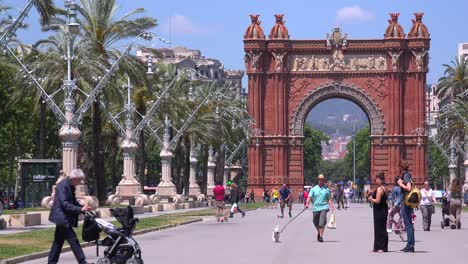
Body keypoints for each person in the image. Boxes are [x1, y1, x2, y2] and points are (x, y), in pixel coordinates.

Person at [48, 169, 93, 264]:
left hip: (63, 218)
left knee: (58, 242)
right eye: (80, 180)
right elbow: (65, 204)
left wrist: (83, 208)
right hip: (62, 218)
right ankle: (82, 261)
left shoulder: (69, 185)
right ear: (74, 178)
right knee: (73, 240)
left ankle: (51, 262)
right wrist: (80, 210)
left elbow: (73, 201)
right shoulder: (63, 186)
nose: (80, 182)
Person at [305, 174, 335, 242]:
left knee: (321, 222)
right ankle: (319, 232)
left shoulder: (326, 189)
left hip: (324, 207)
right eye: (319, 179)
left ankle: (321, 236)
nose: (320, 181)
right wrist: (307, 203)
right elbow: (309, 197)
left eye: (322, 180)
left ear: (324, 181)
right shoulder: (314, 189)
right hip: (315, 207)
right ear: (318, 180)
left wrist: (331, 206)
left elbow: (329, 199)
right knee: (315, 221)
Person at [397, 160, 415, 253]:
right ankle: (410, 245)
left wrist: (400, 184)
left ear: (401, 167)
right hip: (408, 203)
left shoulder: (406, 175)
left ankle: (410, 246)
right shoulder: (408, 175)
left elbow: (408, 188)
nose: (398, 169)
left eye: (399, 167)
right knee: (409, 225)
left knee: (408, 225)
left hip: (406, 203)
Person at [368, 172, 388, 253]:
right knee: (379, 228)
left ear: (379, 179)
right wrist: (373, 193)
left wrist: (371, 199)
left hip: (379, 210)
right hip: (383, 209)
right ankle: (376, 247)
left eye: (376, 179)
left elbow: (378, 200)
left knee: (380, 229)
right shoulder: (385, 188)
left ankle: (382, 247)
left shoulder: (380, 189)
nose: (375, 181)